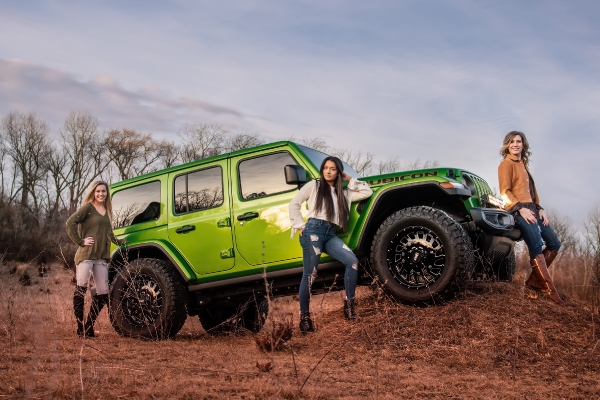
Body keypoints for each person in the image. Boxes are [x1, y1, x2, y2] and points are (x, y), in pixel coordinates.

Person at [289, 156, 373, 333]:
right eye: (325, 168)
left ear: (338, 172)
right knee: (310, 274)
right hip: (313, 231)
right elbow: (294, 203)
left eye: (333, 169)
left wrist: (349, 179)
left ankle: (349, 305)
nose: (328, 171)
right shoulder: (314, 185)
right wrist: (299, 225)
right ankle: (304, 318)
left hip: (330, 233)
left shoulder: (344, 193)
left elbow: (367, 192)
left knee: (352, 262)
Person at [498, 131, 564, 305]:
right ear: (507, 145)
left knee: (554, 243)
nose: (515, 144)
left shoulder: (523, 164)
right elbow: (505, 192)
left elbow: (531, 191)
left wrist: (539, 208)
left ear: (523, 144)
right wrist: (520, 209)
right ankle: (548, 289)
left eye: (518, 141)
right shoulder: (506, 164)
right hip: (520, 210)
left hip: (533, 208)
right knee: (536, 246)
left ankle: (534, 282)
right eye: (512, 142)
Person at [66, 181, 125, 337]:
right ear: (93, 192)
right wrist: (80, 241)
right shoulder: (88, 208)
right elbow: (70, 222)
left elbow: (109, 234)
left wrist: (122, 243)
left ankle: (88, 326)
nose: (101, 194)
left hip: (100, 257)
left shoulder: (106, 210)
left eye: (103, 191)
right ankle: (80, 329)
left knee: (103, 293)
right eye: (98, 191)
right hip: (86, 255)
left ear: (107, 193)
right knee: (81, 289)